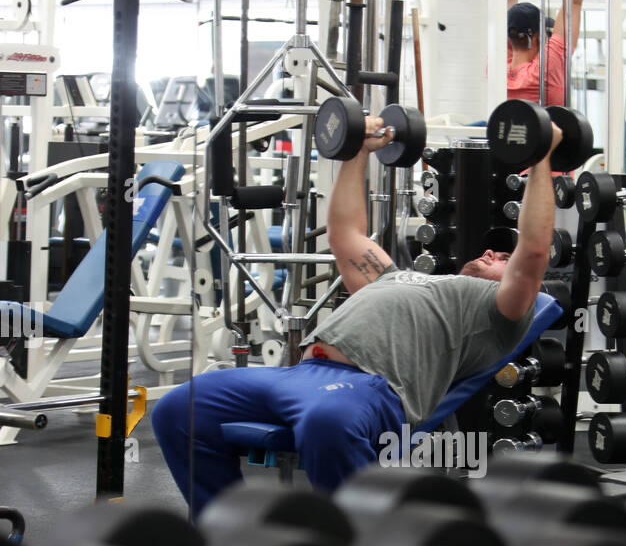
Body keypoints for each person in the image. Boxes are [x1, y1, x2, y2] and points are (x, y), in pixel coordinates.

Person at [152, 115, 562, 514]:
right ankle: (228, 531)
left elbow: (534, 249)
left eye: (503, 258)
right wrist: (358, 153)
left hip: (370, 387)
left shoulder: (496, 310)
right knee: (178, 408)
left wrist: (541, 158)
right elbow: (346, 233)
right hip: (298, 375)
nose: (491, 252)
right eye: (489, 249)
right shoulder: (392, 278)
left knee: (327, 422)